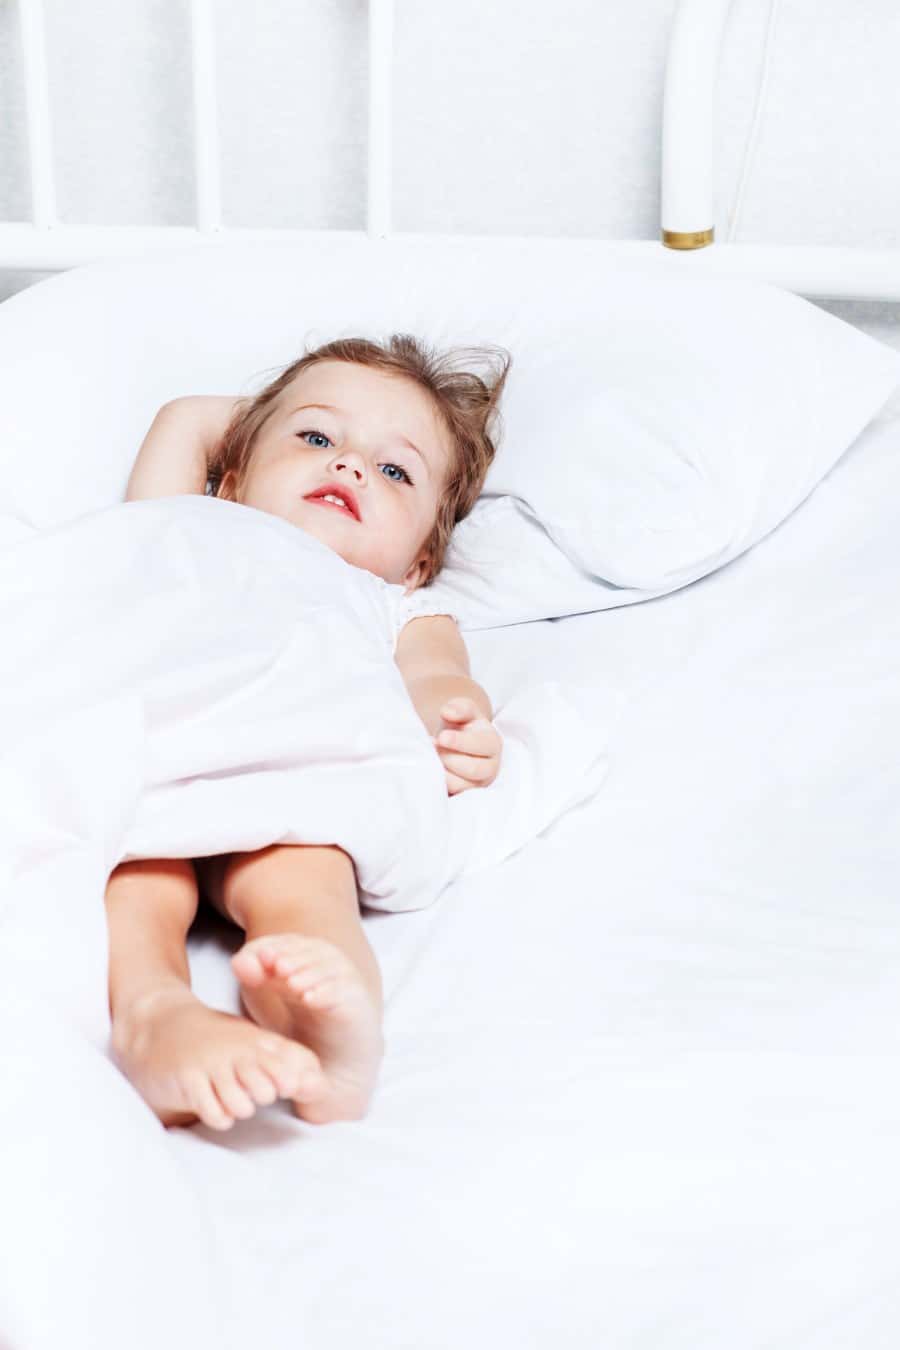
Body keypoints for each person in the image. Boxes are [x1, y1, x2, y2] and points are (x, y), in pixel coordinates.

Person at [104, 334, 510, 1131]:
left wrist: (460, 722)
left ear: (420, 559)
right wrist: (265, 431)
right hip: (160, 751)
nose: (351, 465)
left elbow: (437, 677)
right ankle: (155, 1016)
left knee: (305, 874)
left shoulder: (394, 602)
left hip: (298, 772)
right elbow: (183, 418)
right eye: (317, 438)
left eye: (396, 471)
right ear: (228, 480)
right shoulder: (186, 526)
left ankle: (323, 1020)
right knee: (138, 872)